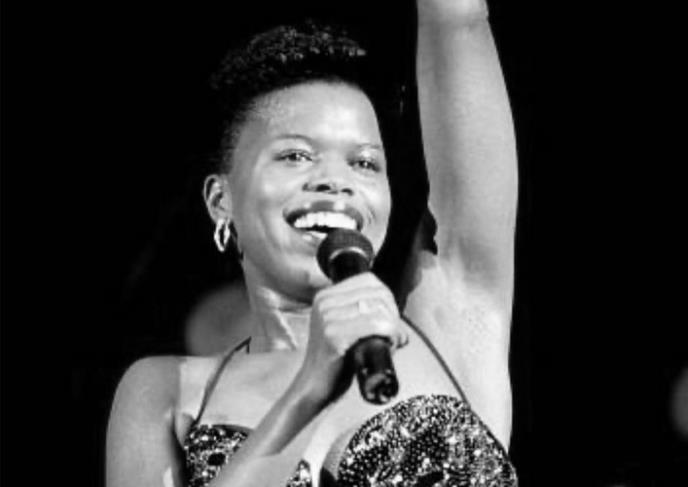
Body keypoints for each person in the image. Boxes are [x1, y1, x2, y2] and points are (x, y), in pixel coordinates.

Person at [106, 0, 519, 485]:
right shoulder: (168, 391)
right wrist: (312, 386)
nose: (335, 181)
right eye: (296, 155)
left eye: (364, 163)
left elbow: (458, 20)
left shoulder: (447, 322)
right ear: (221, 200)